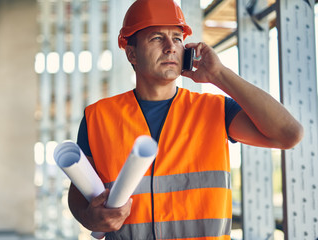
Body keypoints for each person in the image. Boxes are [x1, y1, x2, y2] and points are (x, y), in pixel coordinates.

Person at [68, 0, 303, 239]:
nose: (170, 47)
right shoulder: (97, 117)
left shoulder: (216, 110)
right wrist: (89, 217)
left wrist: (219, 75)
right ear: (132, 53)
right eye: (157, 38)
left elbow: (289, 134)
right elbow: (77, 196)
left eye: (177, 38)